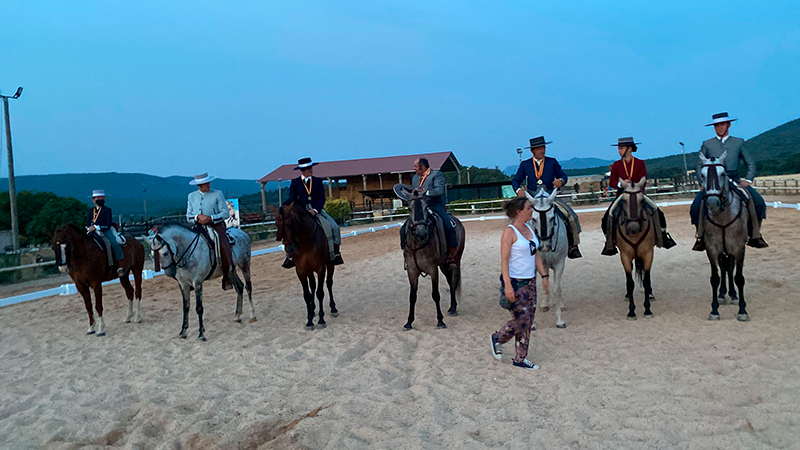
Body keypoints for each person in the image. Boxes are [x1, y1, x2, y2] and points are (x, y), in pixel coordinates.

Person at [691, 112, 768, 251]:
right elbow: (699, 165)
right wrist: (702, 182)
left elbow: (750, 163)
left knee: (758, 203)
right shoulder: (707, 144)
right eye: (716, 125)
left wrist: (748, 180)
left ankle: (755, 235)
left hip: (734, 179)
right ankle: (701, 237)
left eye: (722, 124)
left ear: (728, 124)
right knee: (695, 207)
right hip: (713, 181)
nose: (719, 127)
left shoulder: (738, 142)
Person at [490, 196, 549, 371]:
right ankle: (498, 338)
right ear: (519, 211)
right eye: (529, 208)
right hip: (516, 282)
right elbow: (504, 260)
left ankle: (520, 357)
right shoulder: (509, 232)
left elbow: (535, 253)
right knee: (522, 320)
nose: (532, 210)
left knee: (528, 320)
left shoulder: (530, 229)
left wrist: (544, 276)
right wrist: (507, 285)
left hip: (530, 281)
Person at [601, 137, 677, 255]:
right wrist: (622, 184)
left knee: (657, 211)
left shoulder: (640, 163)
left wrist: (636, 189)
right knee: (608, 215)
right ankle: (609, 242)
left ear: (629, 149)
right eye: (619, 148)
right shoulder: (616, 165)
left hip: (638, 193)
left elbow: (644, 179)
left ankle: (663, 236)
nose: (619, 151)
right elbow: (612, 182)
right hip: (622, 194)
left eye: (621, 148)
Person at [511, 136, 582, 259]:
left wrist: (561, 181)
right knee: (516, 220)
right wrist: (518, 190)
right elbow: (516, 180)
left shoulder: (552, 162)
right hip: (532, 198)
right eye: (539, 148)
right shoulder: (525, 164)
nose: (542, 150)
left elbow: (563, 175)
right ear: (532, 151)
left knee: (570, 214)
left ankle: (573, 245)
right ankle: (516, 246)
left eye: (543, 147)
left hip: (550, 197)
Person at [281, 157, 344, 269]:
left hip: (316, 211)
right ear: (302, 171)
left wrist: (315, 210)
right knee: (290, 230)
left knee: (334, 227)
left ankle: (335, 253)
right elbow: (292, 198)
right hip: (301, 212)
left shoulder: (318, 181)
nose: (309, 170)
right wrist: (283, 206)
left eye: (310, 168)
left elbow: (321, 199)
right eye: (306, 169)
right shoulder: (295, 182)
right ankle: (290, 256)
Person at [399, 157, 459, 269]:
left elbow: (440, 190)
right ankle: (407, 254)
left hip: (435, 205)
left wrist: (425, 192)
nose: (414, 169)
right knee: (404, 228)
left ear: (422, 167)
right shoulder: (415, 178)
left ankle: (450, 255)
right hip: (420, 207)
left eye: (416, 167)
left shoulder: (437, 175)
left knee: (448, 226)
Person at [186, 173, 234, 290]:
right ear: (200, 186)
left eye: (208, 183)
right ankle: (189, 275)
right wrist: (197, 217)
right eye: (205, 184)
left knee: (221, 242)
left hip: (215, 225)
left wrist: (210, 218)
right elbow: (188, 216)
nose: (208, 185)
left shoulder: (217, 194)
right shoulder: (191, 196)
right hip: (198, 226)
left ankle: (226, 275)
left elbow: (225, 213)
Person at [86, 189, 124, 276]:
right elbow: (87, 221)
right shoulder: (91, 211)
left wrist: (96, 227)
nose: (100, 199)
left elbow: (108, 223)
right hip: (91, 231)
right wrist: (88, 228)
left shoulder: (107, 210)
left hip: (105, 230)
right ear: (93, 200)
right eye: (98, 198)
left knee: (114, 243)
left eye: (102, 198)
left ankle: (119, 264)